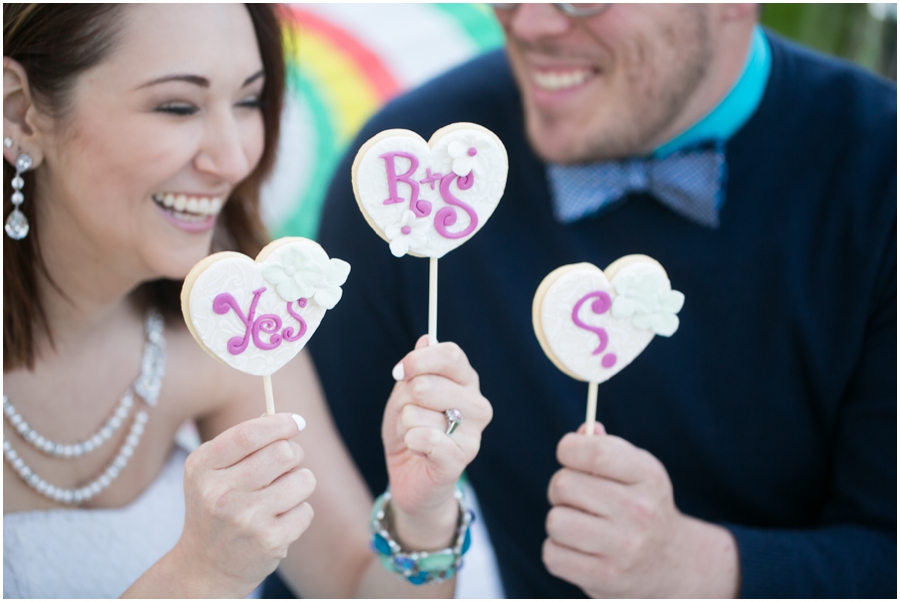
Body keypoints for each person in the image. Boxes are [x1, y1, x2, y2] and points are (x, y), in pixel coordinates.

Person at [312, 3, 896, 598]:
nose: (530, 22)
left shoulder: (881, 173)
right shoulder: (415, 184)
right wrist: (420, 526)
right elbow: (330, 551)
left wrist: (702, 569)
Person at [2, 4, 493, 598]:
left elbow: (355, 588)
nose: (235, 160)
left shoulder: (242, 330)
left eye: (249, 102)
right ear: (21, 112)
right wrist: (199, 575)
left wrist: (423, 516)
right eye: (178, 107)